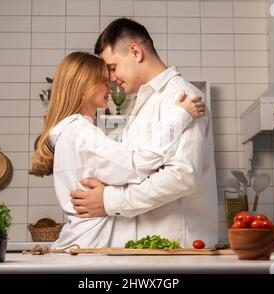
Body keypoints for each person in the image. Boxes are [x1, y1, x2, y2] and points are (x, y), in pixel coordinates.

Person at [30, 51, 205, 248]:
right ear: (83, 86)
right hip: (93, 246)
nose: (111, 90)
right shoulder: (80, 133)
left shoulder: (69, 133)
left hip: (84, 242)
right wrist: (180, 116)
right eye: (104, 82)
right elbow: (137, 164)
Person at [70, 18, 219, 248]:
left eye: (112, 67)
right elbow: (135, 167)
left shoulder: (182, 96)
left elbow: (183, 176)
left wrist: (109, 200)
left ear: (136, 52)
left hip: (181, 247)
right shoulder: (145, 102)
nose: (110, 79)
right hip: (152, 246)